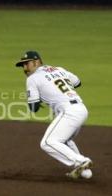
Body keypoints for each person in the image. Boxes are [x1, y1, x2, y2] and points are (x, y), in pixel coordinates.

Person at [15, 51, 93, 179]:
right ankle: (85, 172)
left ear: (36, 62)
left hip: (69, 112)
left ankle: (81, 161)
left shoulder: (32, 79)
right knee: (65, 140)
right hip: (81, 109)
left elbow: (33, 108)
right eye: (22, 65)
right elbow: (77, 82)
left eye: (26, 64)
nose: (24, 68)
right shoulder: (59, 69)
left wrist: (40, 95)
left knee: (47, 142)